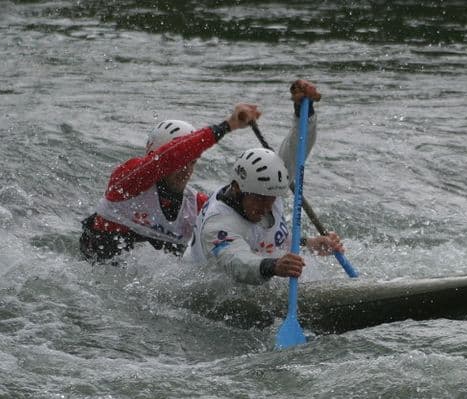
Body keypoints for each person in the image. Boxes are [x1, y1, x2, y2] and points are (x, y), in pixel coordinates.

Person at [184, 79, 343, 284]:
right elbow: (237, 263)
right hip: (203, 291)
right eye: (259, 198)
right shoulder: (218, 223)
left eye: (272, 198)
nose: (267, 205)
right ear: (237, 189)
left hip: (263, 269)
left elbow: (296, 150)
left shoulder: (269, 185)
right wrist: (274, 266)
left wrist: (305, 111)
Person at [79, 103, 261, 262]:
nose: (186, 169)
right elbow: (169, 156)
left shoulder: (197, 207)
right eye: (179, 162)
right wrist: (227, 126)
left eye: (192, 162)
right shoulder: (126, 183)